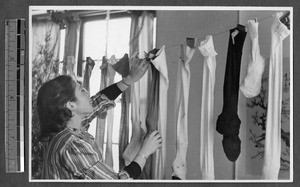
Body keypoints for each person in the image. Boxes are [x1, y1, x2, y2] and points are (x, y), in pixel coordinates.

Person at [37, 57, 162, 179]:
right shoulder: (74, 146)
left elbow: (98, 101)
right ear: (71, 105)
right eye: (81, 90)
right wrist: (144, 153)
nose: (87, 92)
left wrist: (129, 79)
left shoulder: (64, 128)